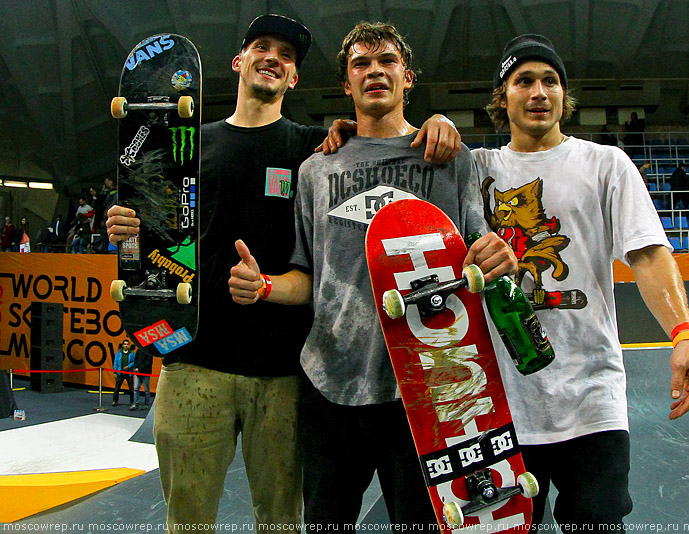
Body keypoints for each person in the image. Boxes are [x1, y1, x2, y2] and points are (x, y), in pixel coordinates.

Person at [106, 14, 462, 533]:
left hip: (283, 373)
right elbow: (150, 239)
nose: (273, 57)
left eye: (287, 56)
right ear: (239, 62)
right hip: (193, 361)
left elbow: (371, 137)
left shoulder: (314, 150)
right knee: (187, 522)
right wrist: (127, 229)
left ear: (294, 79)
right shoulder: (187, 148)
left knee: (282, 523)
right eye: (262, 47)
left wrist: (438, 121)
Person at [228, 21, 516, 529]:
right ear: (346, 85)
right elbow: (307, 278)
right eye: (361, 64)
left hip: (425, 390)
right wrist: (266, 286)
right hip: (330, 383)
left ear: (408, 78)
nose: (374, 71)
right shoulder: (317, 169)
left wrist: (498, 258)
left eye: (386, 62)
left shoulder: (449, 159)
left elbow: (480, 251)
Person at [475, 33, 689, 531]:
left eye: (550, 81)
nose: (539, 91)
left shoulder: (605, 164)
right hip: (501, 400)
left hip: (591, 397)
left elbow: (647, 254)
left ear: (563, 95)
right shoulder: (476, 168)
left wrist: (684, 333)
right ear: (503, 97)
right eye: (523, 81)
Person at [111, 340, 135, 407]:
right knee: (117, 388)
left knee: (131, 389)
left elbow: (134, 362)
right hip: (120, 373)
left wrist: (128, 366)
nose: (126, 345)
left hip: (129, 373)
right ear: (122, 345)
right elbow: (115, 362)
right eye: (125, 344)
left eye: (127, 344)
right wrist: (115, 372)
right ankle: (115, 401)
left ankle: (132, 402)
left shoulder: (132, 353)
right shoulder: (119, 352)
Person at [130, 346, 153, 410]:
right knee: (136, 388)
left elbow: (148, 363)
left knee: (146, 390)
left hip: (145, 373)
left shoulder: (149, 352)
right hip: (137, 373)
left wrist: (139, 369)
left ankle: (147, 404)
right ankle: (135, 403)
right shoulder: (139, 350)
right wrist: (136, 368)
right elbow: (136, 360)